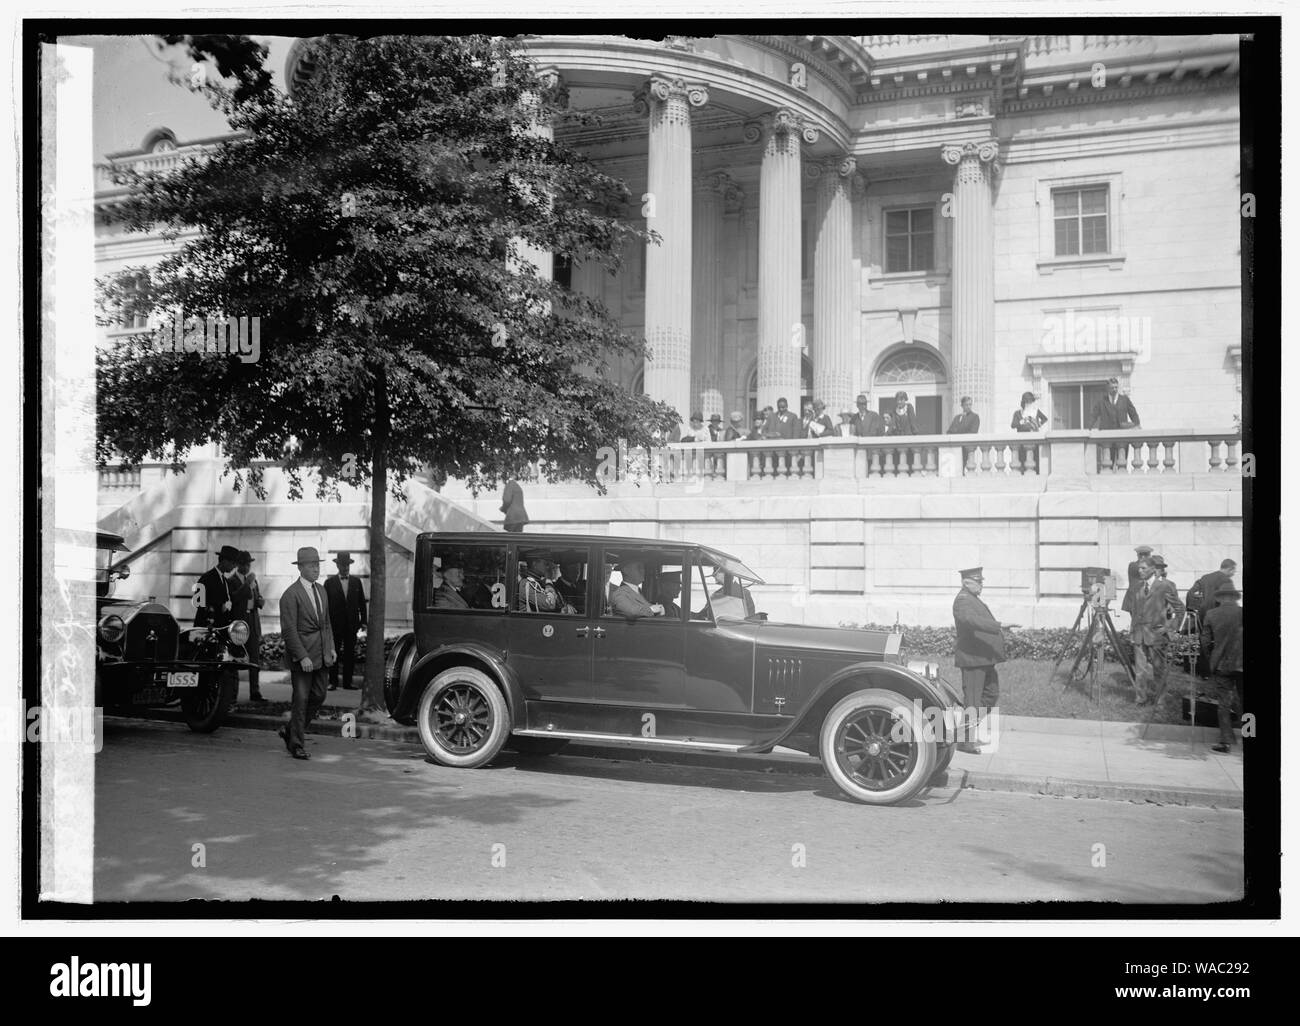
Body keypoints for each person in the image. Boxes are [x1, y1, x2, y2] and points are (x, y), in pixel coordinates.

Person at [277, 546, 336, 761]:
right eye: (311, 566)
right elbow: (289, 631)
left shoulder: (321, 590)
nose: (316, 569)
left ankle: (290, 730)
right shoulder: (290, 595)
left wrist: (330, 648)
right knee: (301, 700)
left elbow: (327, 623)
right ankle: (296, 744)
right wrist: (302, 656)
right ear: (300, 568)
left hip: (321, 655)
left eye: (317, 565)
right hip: (302, 657)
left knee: (319, 696)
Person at [952, 566, 1006, 753]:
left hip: (983, 659)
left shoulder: (973, 599)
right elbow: (969, 620)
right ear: (967, 582)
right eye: (979, 581)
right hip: (973, 659)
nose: (982, 585)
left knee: (990, 695)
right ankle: (966, 740)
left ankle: (963, 732)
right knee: (973, 701)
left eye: (982, 581)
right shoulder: (963, 600)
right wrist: (998, 626)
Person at [1129, 554, 1185, 705]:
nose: (1140, 571)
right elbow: (1134, 612)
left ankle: (1160, 700)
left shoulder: (1164, 586)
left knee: (1159, 670)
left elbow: (1180, 608)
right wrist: (1132, 632)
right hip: (1139, 634)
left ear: (1153, 569)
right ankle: (1140, 699)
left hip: (1156, 635)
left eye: (1143, 568)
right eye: (1139, 568)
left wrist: (1169, 628)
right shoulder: (1136, 587)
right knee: (1140, 671)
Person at [1201, 583, 1243, 753]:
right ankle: (1250, 735)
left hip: (1221, 664)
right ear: (1234, 598)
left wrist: (1211, 655)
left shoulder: (1211, 614)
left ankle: (1225, 741)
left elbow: (1204, 642)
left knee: (1224, 704)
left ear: (1219, 598)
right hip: (1242, 663)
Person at [324, 552, 366, 691]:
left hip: (351, 625)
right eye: (343, 564)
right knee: (333, 653)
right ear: (337, 565)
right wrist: (325, 624)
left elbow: (361, 603)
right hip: (334, 625)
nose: (345, 567)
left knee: (350, 654)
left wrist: (364, 621)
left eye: (347, 564)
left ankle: (348, 683)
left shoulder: (356, 582)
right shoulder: (329, 583)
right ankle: (333, 682)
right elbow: (325, 606)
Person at [230, 550, 266, 702]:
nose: (247, 567)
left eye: (249, 564)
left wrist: (260, 600)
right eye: (244, 564)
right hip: (239, 621)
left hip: (252, 618)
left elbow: (256, 596)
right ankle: (232, 695)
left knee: (254, 658)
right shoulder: (232, 580)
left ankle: (255, 692)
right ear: (238, 565)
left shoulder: (253, 580)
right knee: (236, 658)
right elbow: (235, 598)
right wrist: (246, 584)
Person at [1090, 377, 1140, 469]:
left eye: (1116, 387)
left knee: (1122, 465)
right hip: (1107, 439)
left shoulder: (1124, 400)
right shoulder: (1101, 401)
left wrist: (1137, 425)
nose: (1114, 389)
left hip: (1122, 438)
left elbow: (1133, 414)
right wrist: (1088, 429)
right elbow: (1093, 416)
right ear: (1108, 388)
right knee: (1108, 465)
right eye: (1112, 387)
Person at [192, 544, 240, 629]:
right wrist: (219, 606)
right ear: (224, 561)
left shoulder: (225, 580)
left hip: (220, 628)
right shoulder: (207, 577)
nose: (235, 567)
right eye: (233, 563)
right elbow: (197, 601)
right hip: (206, 629)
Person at [1121, 545, 1153, 619]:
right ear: (1142, 556)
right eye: (1149, 556)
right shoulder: (1134, 565)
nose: (1150, 558)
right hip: (1136, 599)